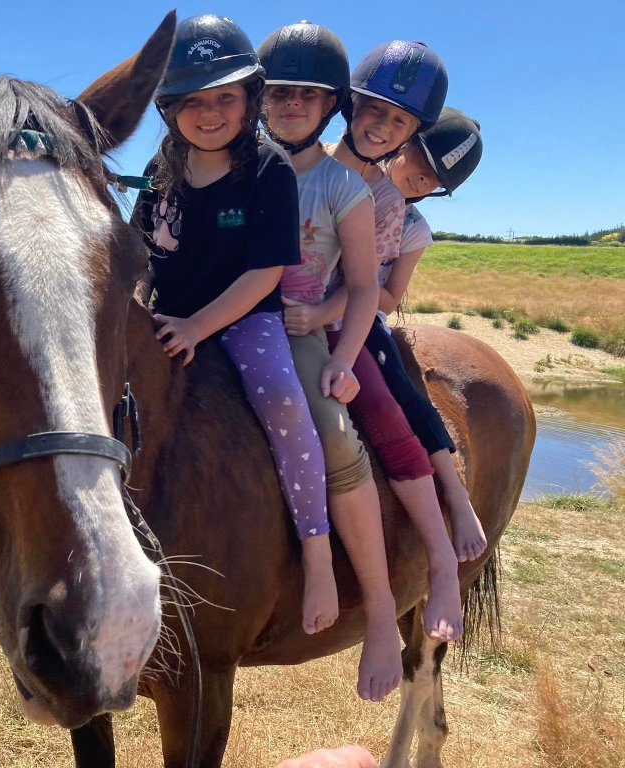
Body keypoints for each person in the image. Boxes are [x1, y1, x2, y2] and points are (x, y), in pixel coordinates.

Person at [130, 14, 340, 641]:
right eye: (192, 101)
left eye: (225, 97)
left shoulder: (268, 169)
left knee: (284, 403)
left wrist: (198, 326)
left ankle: (318, 553)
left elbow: (266, 272)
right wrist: (138, 307)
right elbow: (141, 256)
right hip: (169, 314)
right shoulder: (161, 170)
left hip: (246, 320)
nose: (210, 113)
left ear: (250, 100)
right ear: (169, 109)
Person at [282, 39, 464, 642]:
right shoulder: (292, 160)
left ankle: (437, 560)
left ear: (412, 132)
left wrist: (320, 319)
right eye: (374, 110)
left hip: (331, 320)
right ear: (349, 106)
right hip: (262, 312)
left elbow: (363, 285)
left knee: (384, 410)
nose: (381, 128)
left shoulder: (385, 200)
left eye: (399, 121)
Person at [257, 20, 402, 701]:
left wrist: (342, 358)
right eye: (279, 91)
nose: (291, 104)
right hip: (216, 316)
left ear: (330, 107)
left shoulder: (343, 186)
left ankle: (380, 608)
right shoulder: (235, 164)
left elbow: (366, 287)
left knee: (337, 438)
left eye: (308, 95)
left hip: (295, 329)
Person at [368, 107, 487, 561]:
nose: (424, 178)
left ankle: (455, 494)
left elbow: (389, 298)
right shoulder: (343, 180)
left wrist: (348, 292)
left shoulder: (414, 229)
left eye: (437, 179)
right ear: (403, 143)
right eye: (423, 159)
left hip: (359, 315)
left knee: (402, 391)